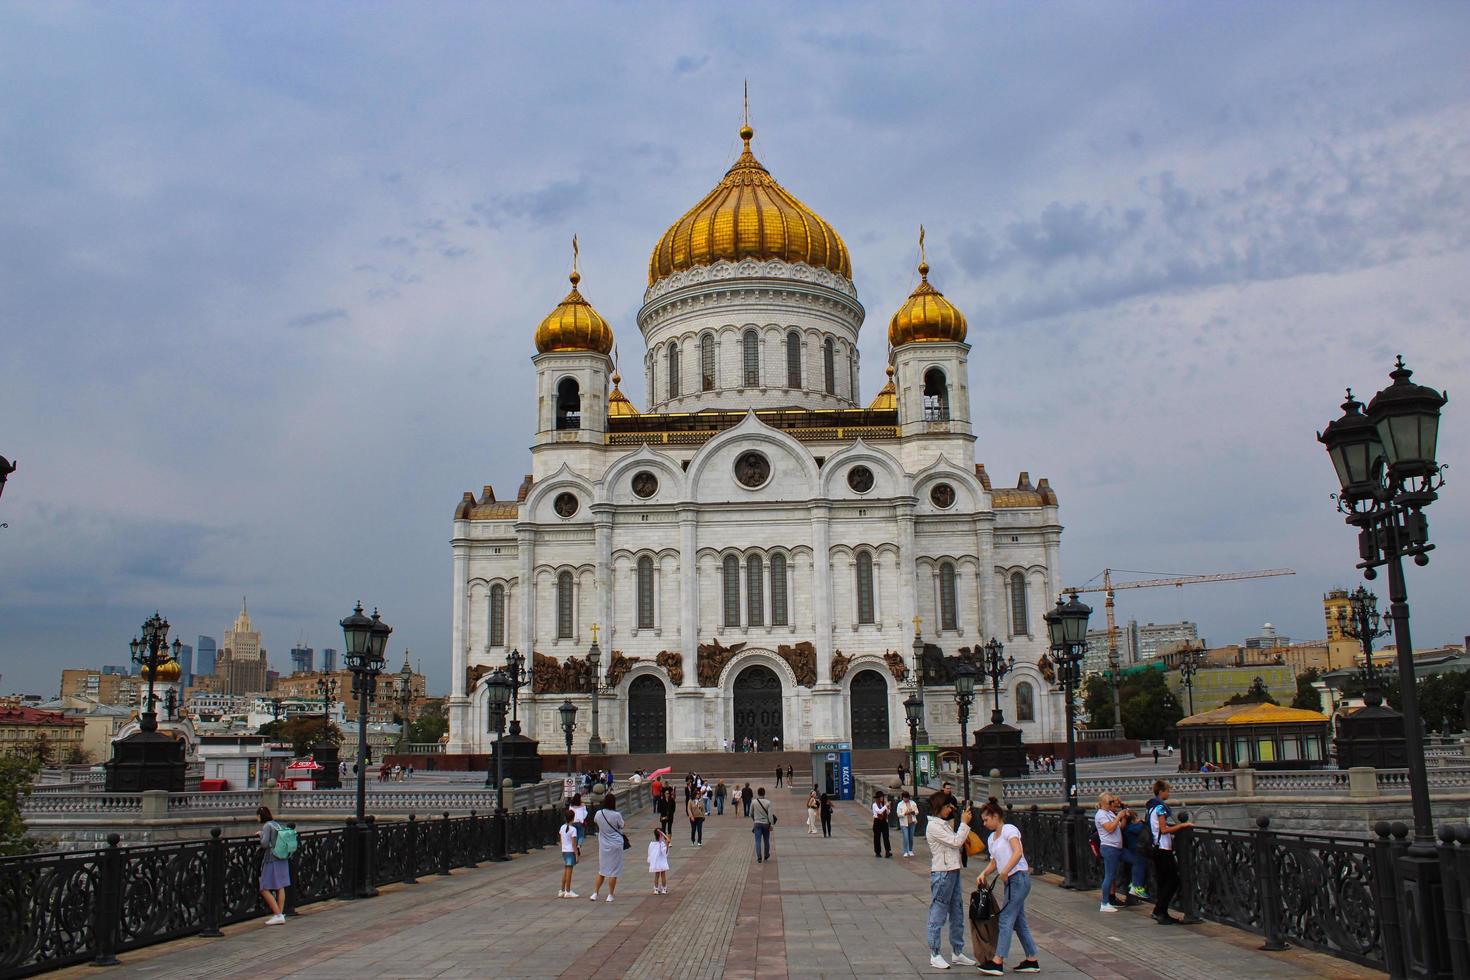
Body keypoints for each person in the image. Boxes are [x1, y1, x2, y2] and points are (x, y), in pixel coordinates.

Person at [977, 799, 1041, 975]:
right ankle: (1031, 959)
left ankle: (998, 961)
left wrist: (1005, 870)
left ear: (996, 816)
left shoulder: (1009, 830)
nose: (984, 823)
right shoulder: (992, 838)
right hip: (1009, 881)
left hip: (1018, 878)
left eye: (986, 819)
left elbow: (1018, 851)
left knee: (1005, 918)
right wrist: (984, 873)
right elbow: (994, 861)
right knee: (1019, 922)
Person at [922, 792, 976, 970]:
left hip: (953, 870)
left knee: (957, 912)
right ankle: (935, 953)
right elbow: (955, 842)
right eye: (947, 807)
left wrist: (959, 819)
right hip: (942, 873)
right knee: (938, 913)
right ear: (939, 807)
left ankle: (957, 951)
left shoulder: (944, 824)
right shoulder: (933, 826)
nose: (949, 810)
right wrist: (964, 823)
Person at [1148, 780, 1194, 924]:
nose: (1169, 793)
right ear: (1161, 791)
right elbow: (1164, 829)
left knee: (1163, 881)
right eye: (1167, 790)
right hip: (1162, 848)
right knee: (1172, 880)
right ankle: (1159, 911)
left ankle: (1161, 911)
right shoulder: (1160, 808)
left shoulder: (1151, 807)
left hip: (1156, 847)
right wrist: (1182, 826)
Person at [1093, 792, 1130, 913]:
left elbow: (1120, 827)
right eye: (1110, 802)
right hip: (1109, 848)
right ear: (1103, 803)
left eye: (1112, 802)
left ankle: (1134, 887)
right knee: (1109, 875)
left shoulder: (1109, 813)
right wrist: (1119, 816)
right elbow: (1110, 828)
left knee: (1135, 860)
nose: (1112, 804)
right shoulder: (1101, 815)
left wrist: (1123, 816)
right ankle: (1104, 903)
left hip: (1117, 847)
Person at [257, 806, 290, 925]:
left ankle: (278, 915)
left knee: (264, 887)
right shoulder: (276, 824)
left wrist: (261, 834)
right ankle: (280, 914)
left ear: (260, 816)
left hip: (272, 858)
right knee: (280, 886)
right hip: (282, 857)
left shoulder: (267, 826)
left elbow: (265, 844)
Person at [589, 792, 625, 903]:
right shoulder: (616, 815)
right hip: (616, 845)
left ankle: (595, 893)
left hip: (604, 845)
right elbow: (622, 825)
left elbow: (595, 821)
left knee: (602, 870)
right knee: (613, 871)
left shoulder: (599, 813)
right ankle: (610, 895)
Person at [558, 807, 581, 898]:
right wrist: (577, 854)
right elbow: (574, 843)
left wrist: (563, 849)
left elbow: (561, 840)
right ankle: (568, 890)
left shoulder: (562, 827)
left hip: (564, 850)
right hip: (570, 851)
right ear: (573, 818)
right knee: (569, 872)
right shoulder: (573, 829)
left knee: (565, 871)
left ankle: (562, 890)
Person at [751, 786, 774, 862]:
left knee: (757, 841)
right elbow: (770, 815)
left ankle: (759, 857)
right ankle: (766, 855)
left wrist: (755, 819)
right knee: (766, 840)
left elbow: (750, 813)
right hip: (766, 824)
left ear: (758, 793)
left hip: (757, 823)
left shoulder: (754, 802)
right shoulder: (768, 802)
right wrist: (771, 825)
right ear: (764, 793)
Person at [648, 824, 671, 895]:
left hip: (656, 862)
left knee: (657, 875)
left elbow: (649, 852)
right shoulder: (662, 844)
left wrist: (650, 860)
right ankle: (664, 889)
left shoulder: (651, 844)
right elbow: (665, 852)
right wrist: (667, 845)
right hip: (662, 861)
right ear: (661, 835)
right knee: (663, 875)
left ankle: (656, 889)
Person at [896, 790, 919, 857]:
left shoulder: (913, 803)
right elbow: (898, 814)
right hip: (904, 823)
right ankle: (905, 851)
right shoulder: (900, 804)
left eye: (906, 798)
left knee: (911, 837)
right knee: (906, 837)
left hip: (912, 822)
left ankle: (910, 850)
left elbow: (917, 811)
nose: (905, 799)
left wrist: (913, 812)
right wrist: (905, 813)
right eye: (904, 798)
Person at [871, 791, 893, 858]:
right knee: (877, 837)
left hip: (884, 822)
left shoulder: (883, 804)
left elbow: (888, 813)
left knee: (886, 836)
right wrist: (886, 806)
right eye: (881, 797)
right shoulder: (874, 805)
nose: (882, 798)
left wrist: (888, 808)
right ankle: (877, 852)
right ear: (878, 798)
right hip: (877, 822)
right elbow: (879, 811)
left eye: (882, 797)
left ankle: (887, 851)